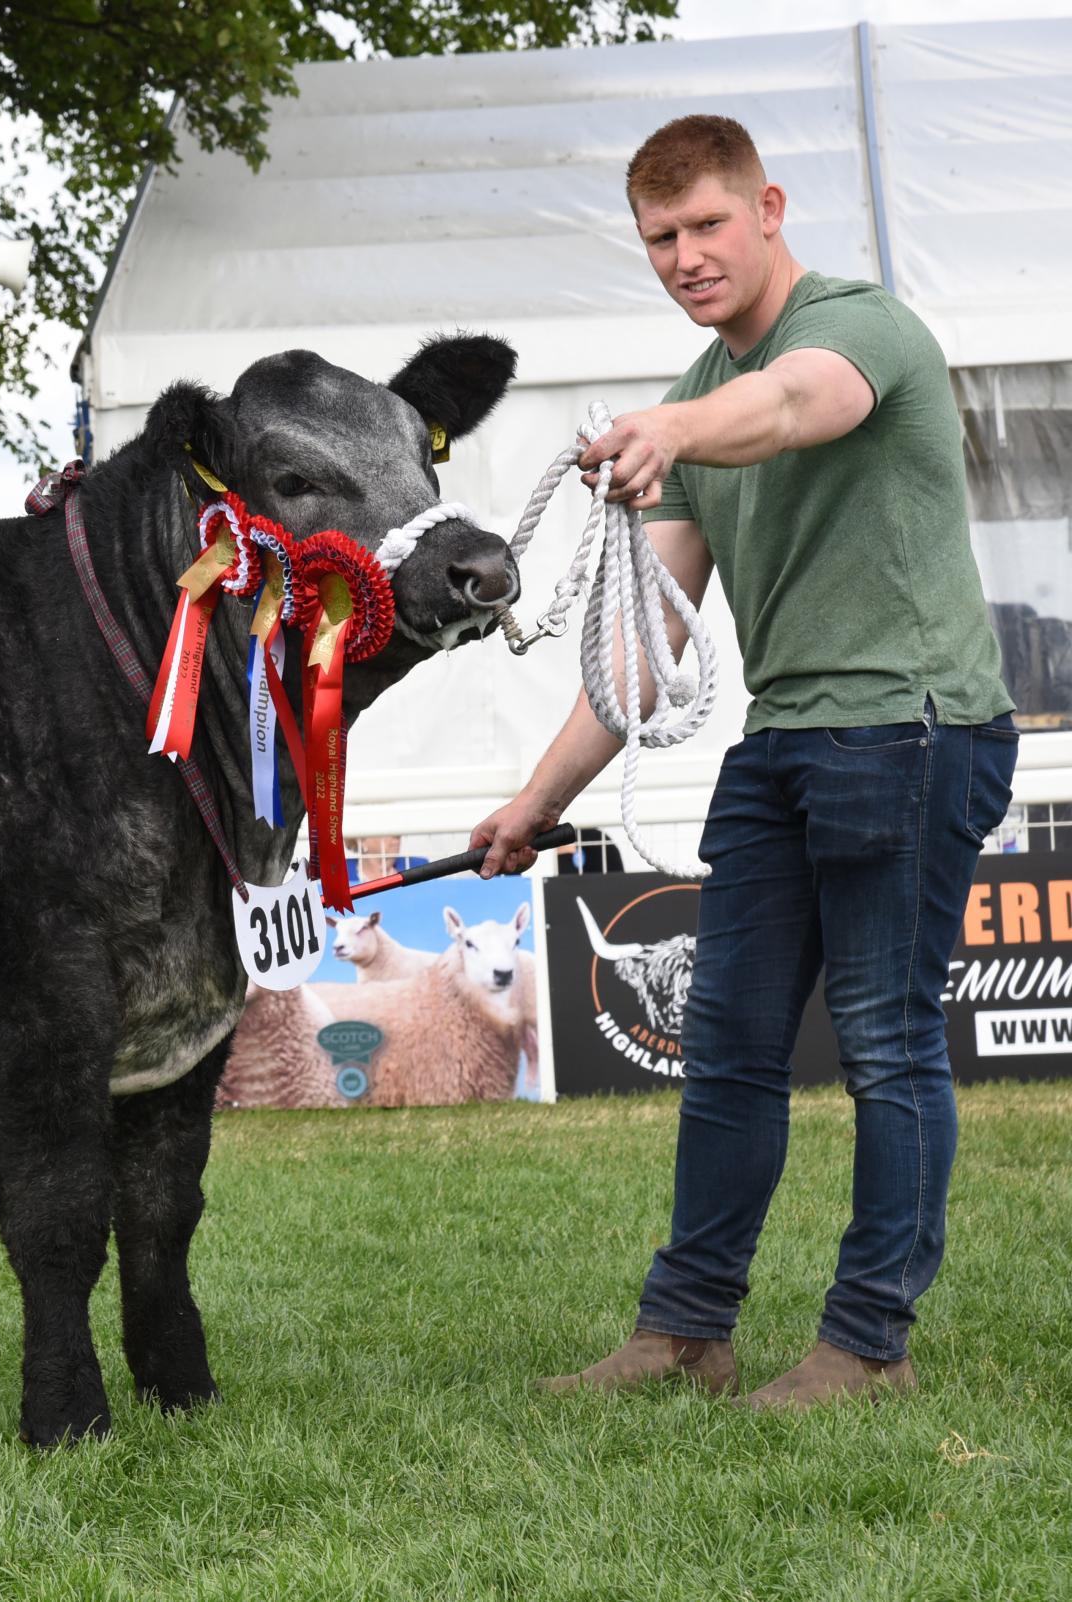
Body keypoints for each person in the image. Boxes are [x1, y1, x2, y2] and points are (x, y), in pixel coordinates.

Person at [473, 115, 1016, 1410]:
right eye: (661, 237)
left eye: (708, 224)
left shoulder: (858, 329)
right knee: (724, 1045)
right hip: (784, 741)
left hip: (915, 728)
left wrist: (675, 431)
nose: (686, 255)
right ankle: (686, 1333)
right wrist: (531, 803)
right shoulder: (686, 418)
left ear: (767, 209)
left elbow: (787, 405)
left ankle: (870, 1342)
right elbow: (639, 658)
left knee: (885, 1042)